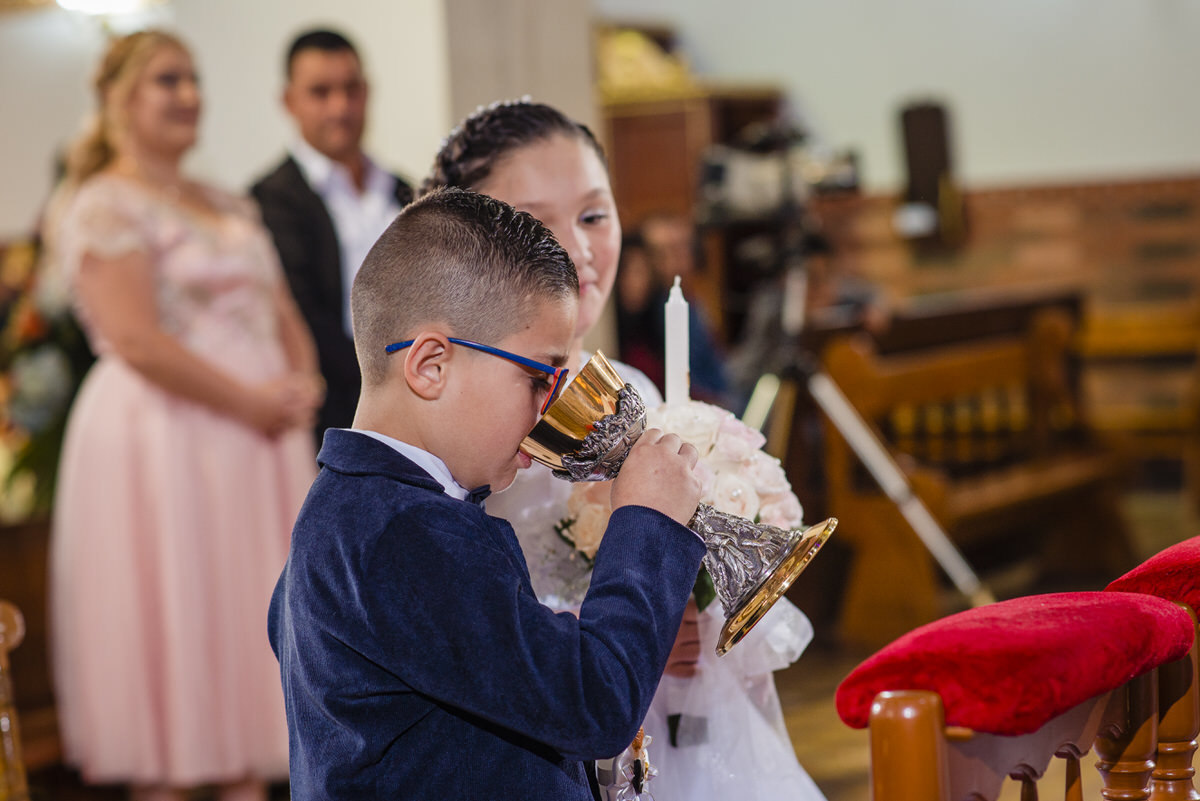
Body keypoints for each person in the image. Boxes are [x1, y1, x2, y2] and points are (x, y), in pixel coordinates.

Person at [424, 99, 827, 801]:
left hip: (687, 740)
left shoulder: (639, 391)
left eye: (593, 215)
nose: (576, 250)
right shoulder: (463, 425)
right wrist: (620, 621)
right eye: (536, 221)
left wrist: (701, 608)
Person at [267, 187, 706, 800]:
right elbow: (595, 705)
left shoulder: (352, 511)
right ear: (430, 366)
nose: (552, 405)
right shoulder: (403, 532)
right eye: (538, 377)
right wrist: (646, 523)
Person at [46, 30, 322, 801]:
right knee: (176, 631)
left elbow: (282, 308)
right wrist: (250, 400)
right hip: (166, 440)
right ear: (120, 99)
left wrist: (300, 379)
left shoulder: (225, 198)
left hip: (259, 446)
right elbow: (134, 336)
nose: (189, 94)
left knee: (247, 628)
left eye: (194, 78)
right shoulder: (104, 203)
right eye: (168, 80)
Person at [251, 28, 413, 444]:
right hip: (332, 416)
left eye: (351, 89)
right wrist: (386, 384)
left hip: (423, 395)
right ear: (289, 101)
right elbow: (302, 313)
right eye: (320, 92)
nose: (340, 107)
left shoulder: (403, 189)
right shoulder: (270, 198)